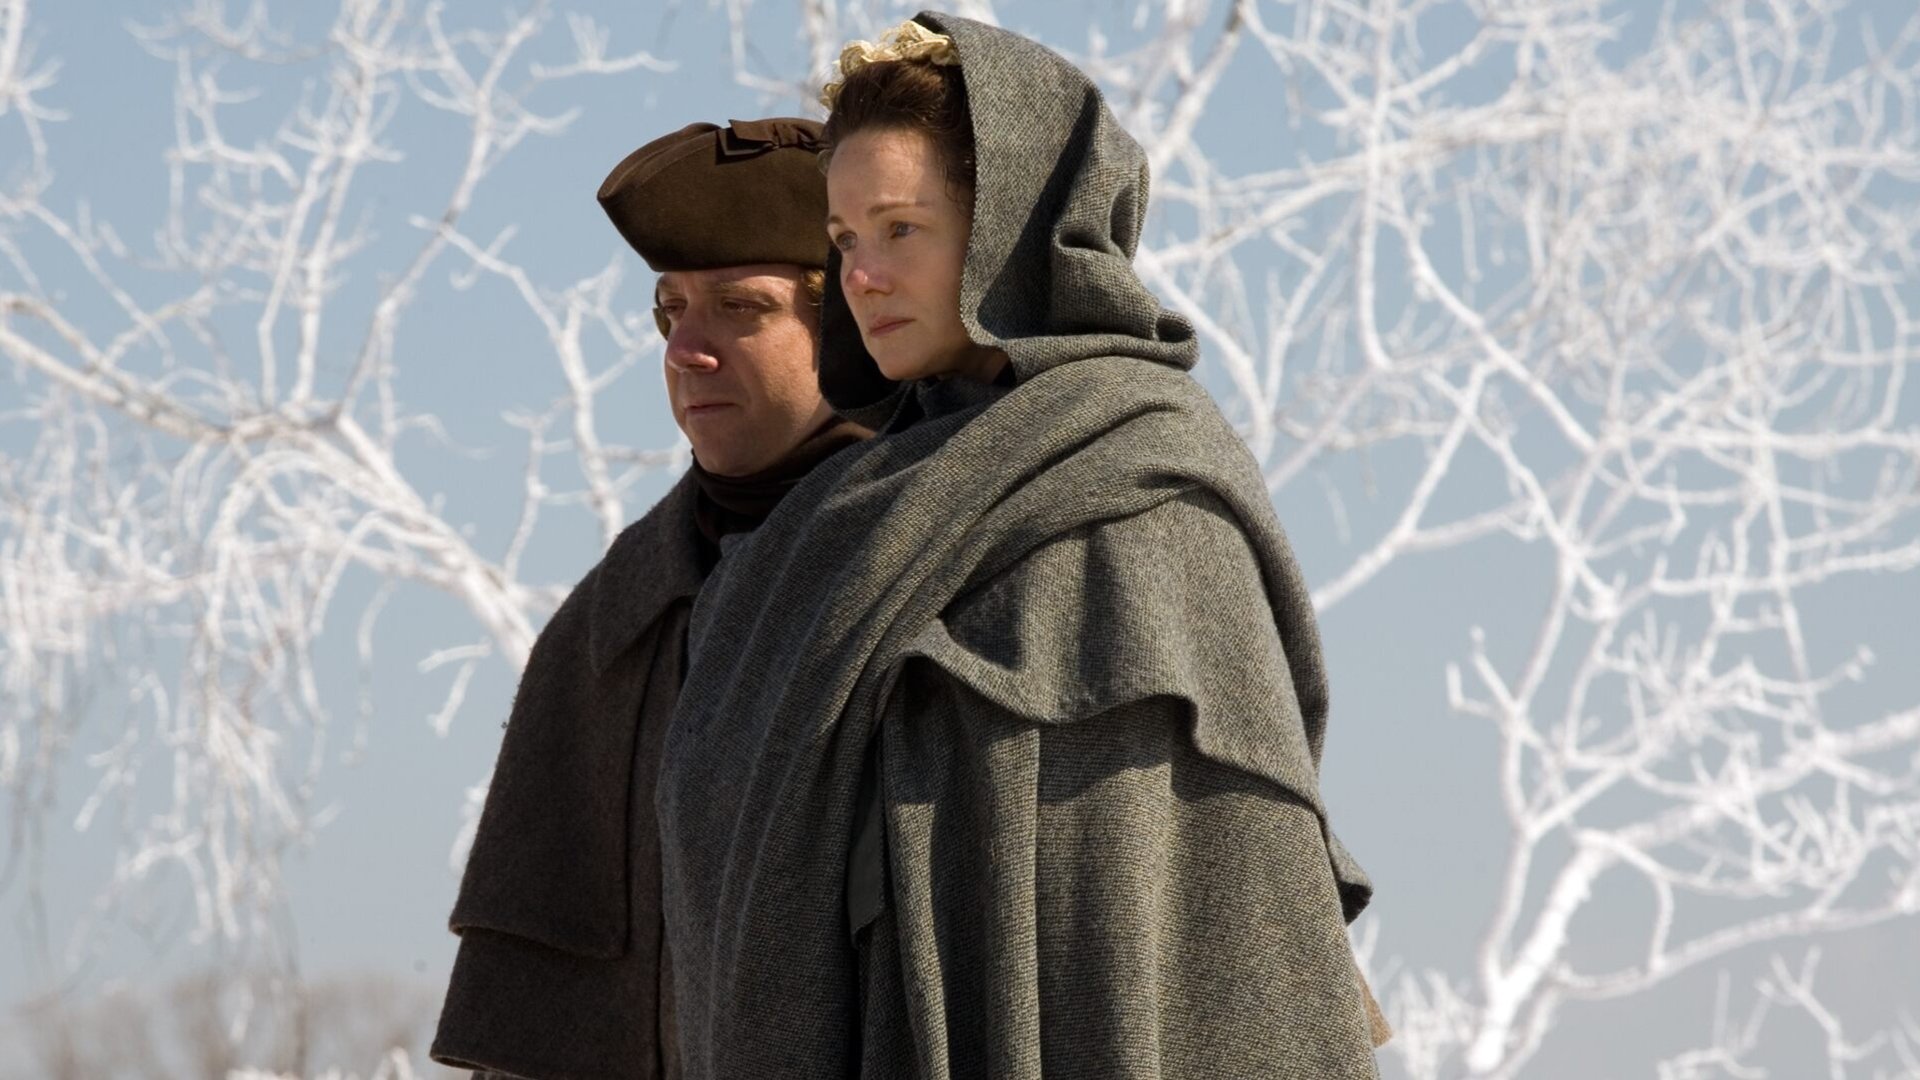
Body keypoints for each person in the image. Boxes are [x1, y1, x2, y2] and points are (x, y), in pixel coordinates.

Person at [655, 13, 1386, 1079]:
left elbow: (1207, 901)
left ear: (1011, 225)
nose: (861, 275)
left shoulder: (1145, 490)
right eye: (846, 238)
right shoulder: (827, 526)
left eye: (900, 228)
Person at [429, 116, 866, 1080]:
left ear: (850, 326)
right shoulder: (608, 623)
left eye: (741, 308)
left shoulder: (939, 568)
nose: (687, 349)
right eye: (671, 310)